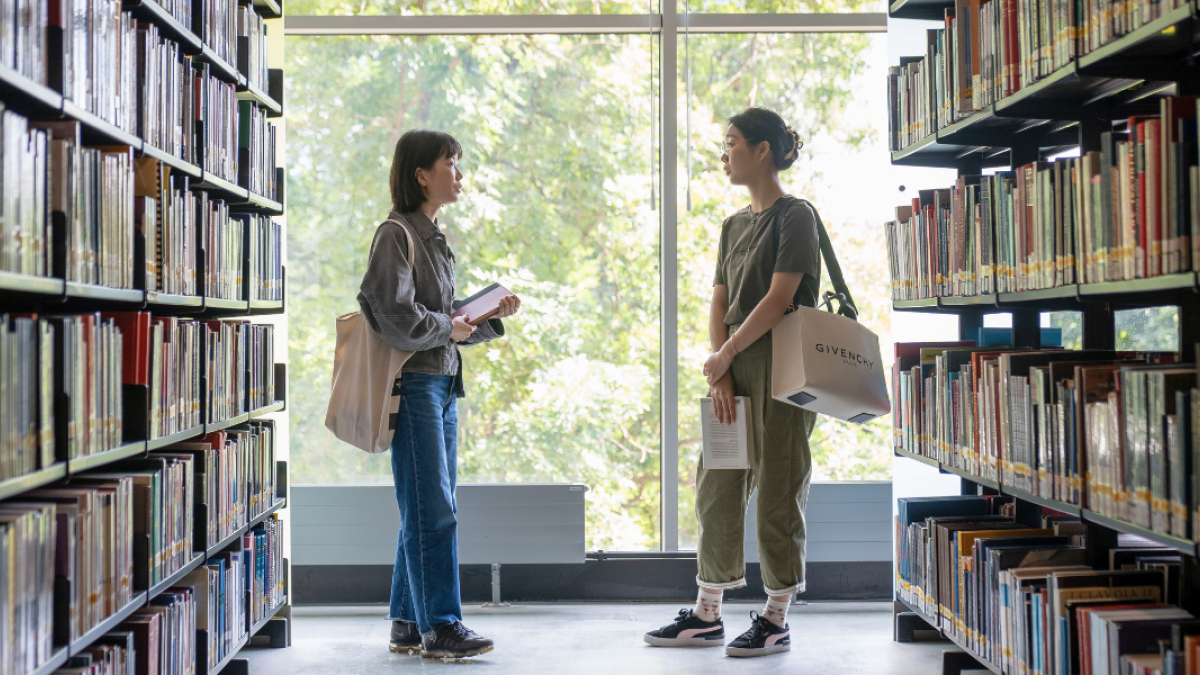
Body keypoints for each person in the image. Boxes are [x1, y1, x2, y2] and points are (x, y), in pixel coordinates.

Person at [644, 108, 821, 658]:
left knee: (777, 490)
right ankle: (707, 613)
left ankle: (776, 616)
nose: (724, 154)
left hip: (781, 369)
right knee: (716, 486)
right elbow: (719, 299)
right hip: (734, 367)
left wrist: (726, 353)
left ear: (762, 150)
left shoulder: (796, 217)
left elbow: (779, 297)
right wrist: (720, 368)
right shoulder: (733, 224)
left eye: (732, 143)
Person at [357, 129, 521, 660]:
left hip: (443, 384)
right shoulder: (395, 234)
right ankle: (442, 626)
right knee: (435, 510)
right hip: (417, 385)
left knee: (425, 508)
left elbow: (443, 323)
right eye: (450, 162)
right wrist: (448, 327)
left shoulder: (433, 237)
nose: (459, 173)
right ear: (420, 174)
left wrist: (484, 317)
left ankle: (408, 621)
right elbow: (397, 318)